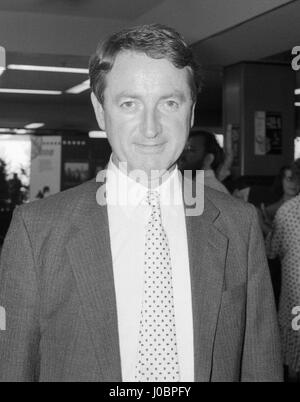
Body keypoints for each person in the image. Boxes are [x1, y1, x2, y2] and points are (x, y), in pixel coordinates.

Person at [0, 24, 282, 382]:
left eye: (169, 103)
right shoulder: (36, 230)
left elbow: (260, 365)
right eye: (129, 103)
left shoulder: (237, 225)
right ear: (101, 111)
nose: (151, 128)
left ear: (191, 111)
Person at [266, 159, 300, 382]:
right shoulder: (283, 209)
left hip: (294, 295)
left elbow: (271, 251)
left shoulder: (286, 211)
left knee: (294, 346)